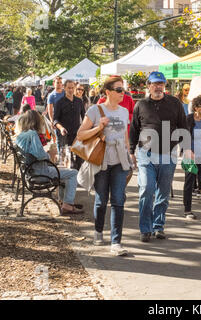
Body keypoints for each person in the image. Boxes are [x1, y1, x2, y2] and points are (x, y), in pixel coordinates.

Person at [77, 76, 132, 256]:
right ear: (108, 92)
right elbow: (80, 135)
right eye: (118, 90)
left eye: (123, 89)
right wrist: (98, 127)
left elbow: (125, 136)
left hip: (119, 161)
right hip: (101, 161)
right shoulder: (95, 110)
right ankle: (98, 231)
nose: (122, 93)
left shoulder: (124, 112)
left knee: (118, 200)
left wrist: (129, 155)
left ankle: (116, 242)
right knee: (101, 201)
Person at [129, 71, 187, 242]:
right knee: (146, 189)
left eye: (161, 83)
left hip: (168, 154)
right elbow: (134, 129)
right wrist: (131, 151)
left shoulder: (175, 103)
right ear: (148, 86)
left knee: (163, 193)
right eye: (154, 84)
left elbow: (183, 127)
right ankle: (145, 228)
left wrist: (182, 146)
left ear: (164, 85)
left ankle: (158, 226)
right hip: (146, 154)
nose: (158, 87)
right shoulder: (141, 105)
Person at [15, 110, 83, 215]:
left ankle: (64, 201)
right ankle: (68, 204)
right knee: (73, 173)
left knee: (65, 172)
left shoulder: (21, 136)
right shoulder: (33, 134)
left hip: (31, 172)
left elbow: (35, 153)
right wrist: (49, 153)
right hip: (40, 173)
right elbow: (41, 156)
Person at [53, 80, 85, 170]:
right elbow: (55, 120)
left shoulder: (79, 101)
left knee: (80, 159)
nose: (71, 90)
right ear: (64, 88)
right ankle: (69, 178)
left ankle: (78, 179)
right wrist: (61, 128)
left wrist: (85, 130)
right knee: (68, 160)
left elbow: (84, 117)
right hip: (65, 134)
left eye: (72, 88)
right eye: (69, 88)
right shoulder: (59, 102)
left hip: (77, 134)